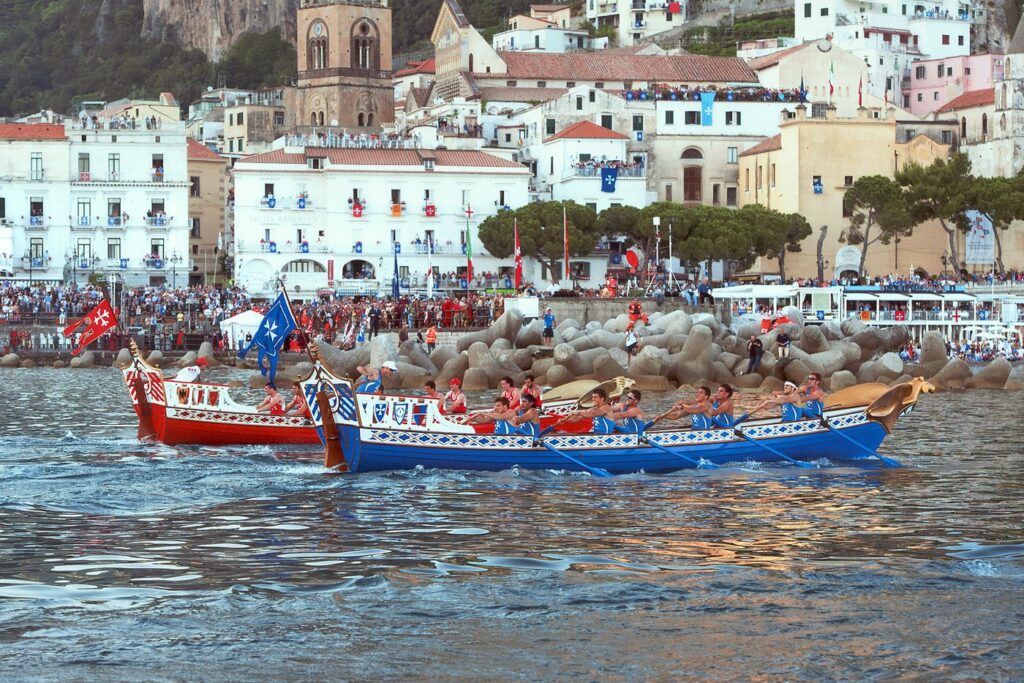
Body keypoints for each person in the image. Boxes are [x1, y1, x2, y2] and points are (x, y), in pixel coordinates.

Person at [551, 388, 617, 435]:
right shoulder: (593, 409)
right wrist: (564, 420)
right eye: (592, 397)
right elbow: (577, 419)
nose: (592, 399)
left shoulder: (606, 408)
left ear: (602, 399)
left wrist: (578, 412)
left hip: (606, 438)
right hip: (597, 436)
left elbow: (592, 414)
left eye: (595, 397)